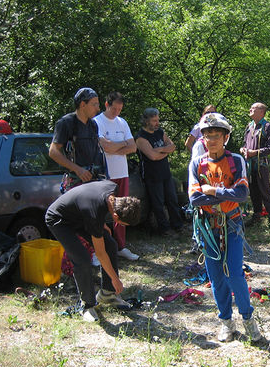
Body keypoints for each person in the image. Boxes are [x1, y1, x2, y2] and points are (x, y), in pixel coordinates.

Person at [189, 113, 262, 342]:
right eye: (207, 135)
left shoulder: (236, 161)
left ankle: (248, 319)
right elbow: (194, 198)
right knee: (216, 276)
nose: (211, 140)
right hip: (209, 228)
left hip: (231, 224)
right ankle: (226, 322)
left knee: (235, 274)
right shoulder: (197, 164)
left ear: (226, 137)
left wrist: (212, 191)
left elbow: (242, 194)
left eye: (216, 135)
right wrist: (222, 196)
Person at [45, 180, 141, 322]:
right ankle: (86, 305)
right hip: (59, 219)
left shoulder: (112, 188)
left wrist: (100, 224)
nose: (121, 225)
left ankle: (108, 294)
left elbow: (93, 203)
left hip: (80, 215)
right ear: (115, 217)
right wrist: (116, 279)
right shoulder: (93, 214)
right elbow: (100, 254)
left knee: (110, 245)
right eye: (122, 224)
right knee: (82, 259)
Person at [94, 91, 139, 261]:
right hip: (105, 174)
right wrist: (122, 145)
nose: (117, 113)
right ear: (106, 104)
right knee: (100, 211)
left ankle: (120, 246)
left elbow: (133, 147)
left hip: (122, 173)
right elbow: (105, 147)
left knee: (122, 210)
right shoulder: (97, 122)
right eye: (114, 109)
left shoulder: (122, 122)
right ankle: (97, 249)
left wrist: (115, 146)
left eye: (120, 109)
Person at [135, 108, 183, 236]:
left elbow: (172, 146)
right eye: (154, 120)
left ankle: (178, 226)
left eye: (158, 120)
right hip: (152, 176)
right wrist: (164, 151)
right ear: (146, 121)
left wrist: (160, 149)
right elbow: (152, 156)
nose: (157, 123)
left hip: (165, 173)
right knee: (158, 203)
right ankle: (165, 229)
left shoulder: (160, 132)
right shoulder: (141, 137)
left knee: (172, 199)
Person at [49, 87, 106, 190]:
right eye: (94, 104)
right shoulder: (65, 123)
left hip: (93, 181)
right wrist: (77, 170)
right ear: (83, 105)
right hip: (75, 183)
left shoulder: (93, 125)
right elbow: (53, 152)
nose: (98, 108)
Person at [241, 102, 270, 229]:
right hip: (250, 165)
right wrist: (244, 150)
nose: (250, 109)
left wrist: (254, 153)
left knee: (265, 191)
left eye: (253, 108)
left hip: (261, 165)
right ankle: (257, 215)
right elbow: (245, 143)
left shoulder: (267, 127)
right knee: (253, 190)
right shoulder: (249, 126)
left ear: (261, 112)